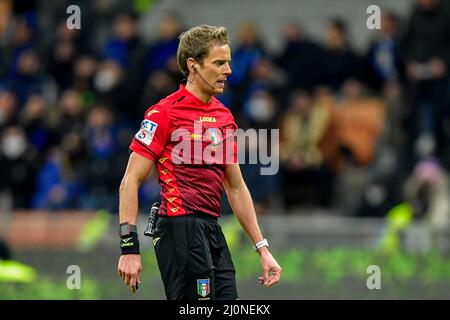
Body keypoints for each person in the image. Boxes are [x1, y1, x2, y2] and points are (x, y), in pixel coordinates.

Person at [117, 24, 281, 300]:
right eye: (219, 63)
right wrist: (129, 249)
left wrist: (262, 248)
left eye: (228, 62)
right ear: (193, 65)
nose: (228, 70)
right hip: (179, 228)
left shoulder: (224, 117)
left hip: (212, 228)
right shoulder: (164, 113)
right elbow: (130, 181)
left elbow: (236, 188)